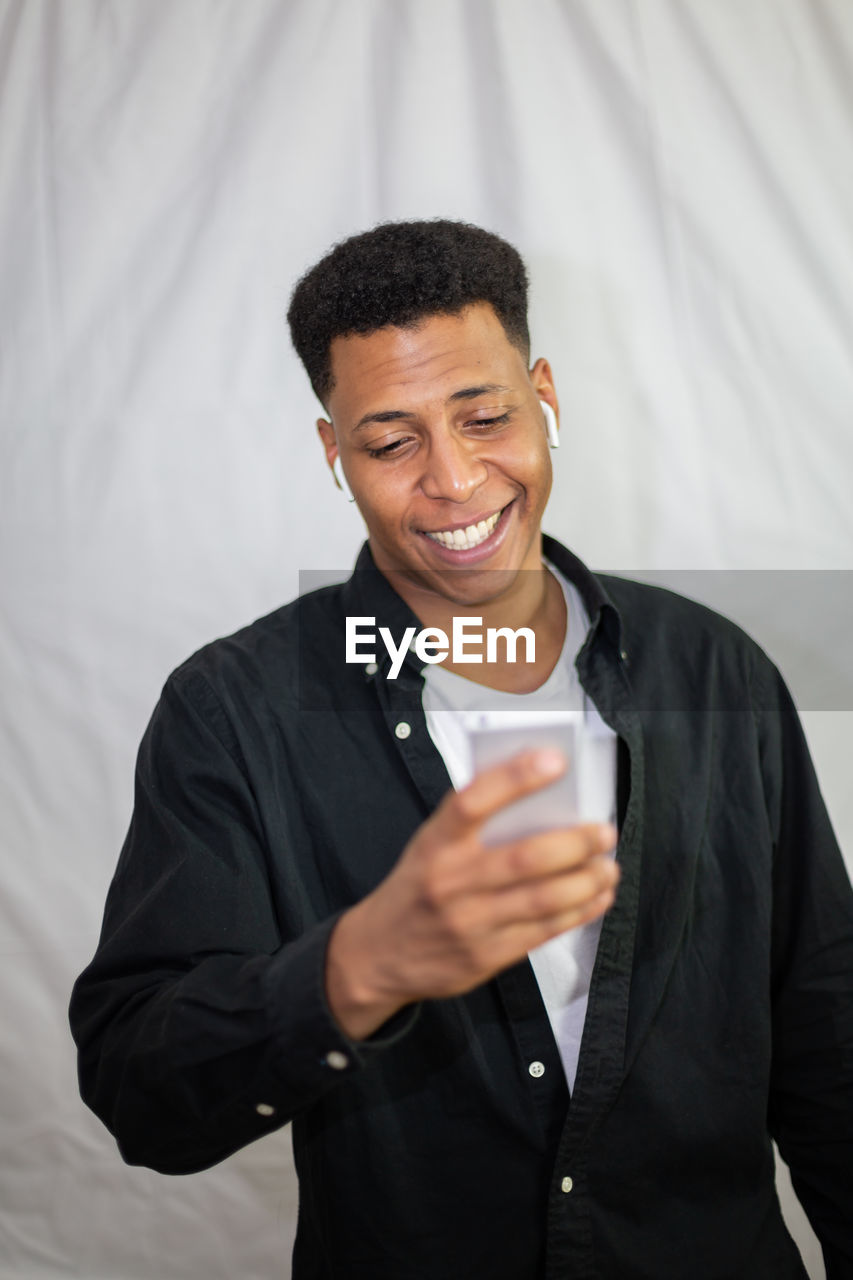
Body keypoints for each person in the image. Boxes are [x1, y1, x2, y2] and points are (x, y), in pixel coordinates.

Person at [70, 220, 853, 1279]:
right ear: (332, 453)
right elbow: (142, 1096)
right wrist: (358, 969)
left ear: (547, 397)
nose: (452, 478)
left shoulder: (715, 672)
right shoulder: (232, 709)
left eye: (485, 416)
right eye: (391, 442)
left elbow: (825, 1027)